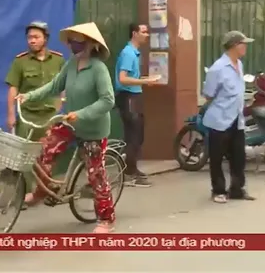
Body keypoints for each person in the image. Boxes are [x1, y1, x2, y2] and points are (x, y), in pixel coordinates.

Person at [16, 22, 117, 233]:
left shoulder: (98, 69)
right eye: (71, 41)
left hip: (93, 129)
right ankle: (41, 192)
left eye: (78, 41)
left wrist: (80, 114)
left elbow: (108, 100)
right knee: (44, 150)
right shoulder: (71, 64)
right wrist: (29, 96)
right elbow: (54, 86)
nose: (73, 45)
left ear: (89, 44)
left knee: (96, 175)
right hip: (69, 123)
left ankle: (106, 219)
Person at [5, 21, 65, 194]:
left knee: (48, 154)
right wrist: (11, 115)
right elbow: (13, 89)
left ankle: (44, 187)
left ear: (45, 39)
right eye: (29, 37)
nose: (32, 41)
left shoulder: (58, 60)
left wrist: (61, 103)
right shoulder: (20, 62)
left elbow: (64, 84)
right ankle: (24, 192)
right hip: (27, 116)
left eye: (36, 37)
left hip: (50, 116)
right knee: (25, 156)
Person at [203, 30, 256, 203]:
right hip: (220, 119)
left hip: (236, 119)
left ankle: (237, 189)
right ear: (234, 46)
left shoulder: (239, 65)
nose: (245, 46)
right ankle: (218, 190)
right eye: (243, 43)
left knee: (238, 156)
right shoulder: (217, 68)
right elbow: (208, 93)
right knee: (217, 157)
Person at [115, 23, 160, 187]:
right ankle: (129, 174)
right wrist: (145, 81)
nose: (147, 34)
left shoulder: (134, 52)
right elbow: (122, 78)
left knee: (136, 135)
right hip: (128, 97)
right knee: (134, 135)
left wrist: (145, 80)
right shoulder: (128, 53)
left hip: (134, 96)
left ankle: (130, 170)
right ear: (135, 33)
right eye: (144, 32)